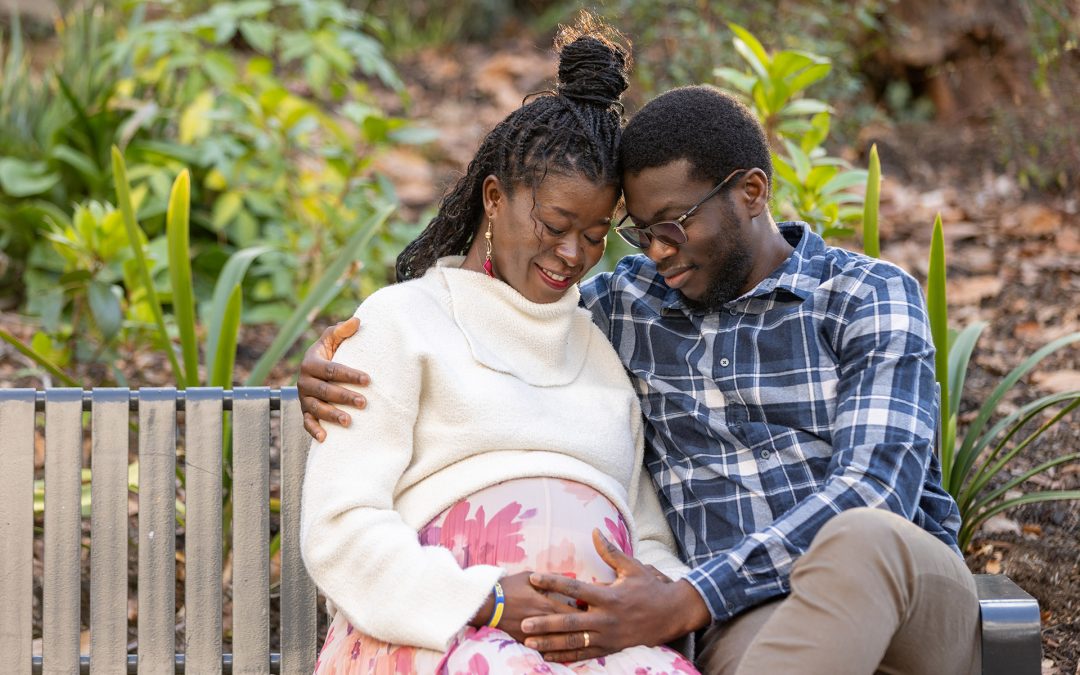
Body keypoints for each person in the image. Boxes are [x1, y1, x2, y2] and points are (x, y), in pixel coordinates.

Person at [299, 85, 983, 674]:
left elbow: (877, 490)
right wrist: (338, 355)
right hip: (753, 624)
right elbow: (502, 318)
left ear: (751, 192)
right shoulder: (622, 311)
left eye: (674, 225)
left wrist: (688, 598)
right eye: (639, 232)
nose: (656, 251)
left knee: (860, 538)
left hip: (903, 601)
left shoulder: (865, 296)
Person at [299, 17, 698, 675]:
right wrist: (481, 600)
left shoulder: (601, 350)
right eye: (555, 224)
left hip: (594, 651)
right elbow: (342, 526)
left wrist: (641, 602)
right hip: (436, 639)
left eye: (596, 234)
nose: (573, 254)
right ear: (494, 198)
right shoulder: (400, 325)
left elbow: (646, 533)